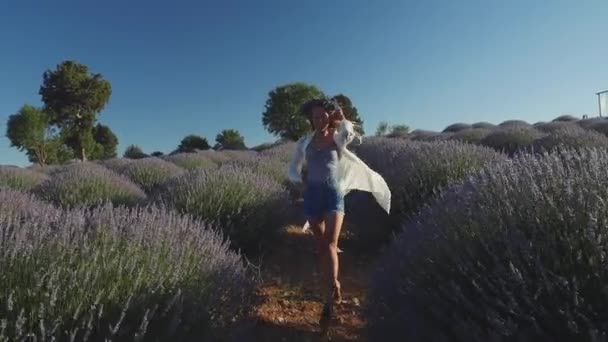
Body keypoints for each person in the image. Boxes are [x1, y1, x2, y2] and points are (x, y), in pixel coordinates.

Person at [287, 97, 391, 327]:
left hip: (333, 195)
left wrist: (341, 116)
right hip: (312, 197)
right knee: (322, 245)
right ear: (311, 120)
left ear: (329, 116)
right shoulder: (304, 143)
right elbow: (293, 168)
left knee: (331, 244)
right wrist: (299, 184)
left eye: (323, 115)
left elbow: (349, 132)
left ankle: (330, 292)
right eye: (315, 116)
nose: (319, 119)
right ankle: (331, 285)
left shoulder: (337, 138)